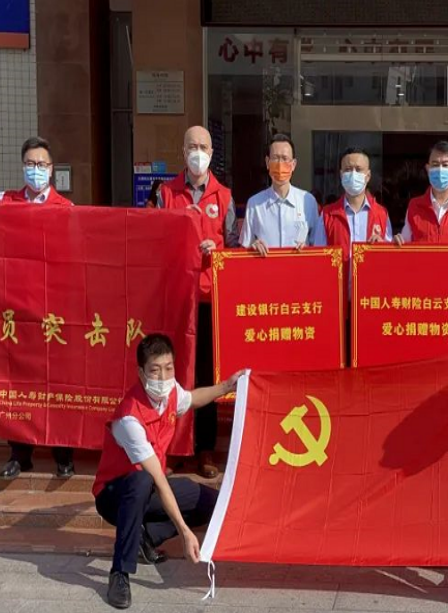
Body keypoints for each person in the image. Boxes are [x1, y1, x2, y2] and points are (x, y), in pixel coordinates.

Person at [93, 333, 242, 609]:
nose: (163, 377)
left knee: (210, 502)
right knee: (142, 479)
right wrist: (184, 532)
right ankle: (119, 572)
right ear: (141, 373)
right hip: (115, 495)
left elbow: (192, 399)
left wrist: (227, 386)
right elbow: (159, 481)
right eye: (155, 370)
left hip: (149, 487)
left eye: (168, 368)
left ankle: (145, 537)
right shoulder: (129, 419)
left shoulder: (170, 393)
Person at [0, 136, 75, 480]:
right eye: (30, 164)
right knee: (19, 383)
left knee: (57, 382)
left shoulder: (65, 209)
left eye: (42, 164)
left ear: (52, 169)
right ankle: (19, 454)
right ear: (22, 166)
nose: (36, 170)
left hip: (53, 311)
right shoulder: (5, 203)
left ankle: (62, 454)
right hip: (17, 309)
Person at [156, 126, 239, 480]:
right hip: (176, 296)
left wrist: (215, 250)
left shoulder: (225, 196)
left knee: (204, 373)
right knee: (171, 373)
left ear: (211, 153)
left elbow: (234, 247)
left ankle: (204, 447)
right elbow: (155, 239)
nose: (198, 152)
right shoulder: (166, 193)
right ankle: (174, 446)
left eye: (203, 147)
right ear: (183, 151)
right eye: (192, 146)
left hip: (207, 298)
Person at [241, 133, 321, 255]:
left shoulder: (308, 202)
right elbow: (244, 248)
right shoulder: (254, 204)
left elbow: (318, 245)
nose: (280, 164)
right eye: (275, 158)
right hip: (266, 266)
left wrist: (307, 249)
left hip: (299, 266)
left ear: (293, 164)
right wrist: (253, 247)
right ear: (267, 162)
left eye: (284, 158)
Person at [393, 140, 448, 244]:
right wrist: (395, 243)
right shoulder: (414, 207)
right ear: (428, 169)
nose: (440, 170)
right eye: (435, 164)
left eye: (445, 165)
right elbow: (404, 245)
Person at [313, 147, 392, 255]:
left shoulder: (381, 214)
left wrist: (381, 246)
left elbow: (388, 257)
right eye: (348, 169)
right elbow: (319, 256)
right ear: (341, 175)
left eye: (358, 169)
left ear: (368, 176)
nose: (353, 174)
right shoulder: (327, 215)